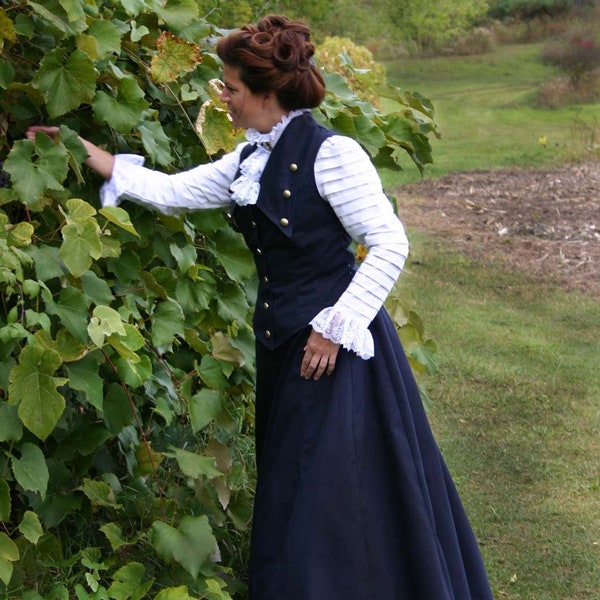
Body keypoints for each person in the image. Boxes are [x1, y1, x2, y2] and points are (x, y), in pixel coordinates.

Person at [28, 14, 494, 600]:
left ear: (267, 94)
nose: (222, 98)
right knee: (298, 484)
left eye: (231, 89)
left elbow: (389, 243)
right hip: (284, 347)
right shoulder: (252, 158)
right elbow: (176, 191)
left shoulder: (334, 155)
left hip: (336, 353)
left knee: (334, 494)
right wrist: (84, 152)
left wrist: (334, 329)